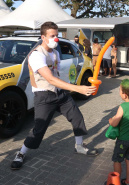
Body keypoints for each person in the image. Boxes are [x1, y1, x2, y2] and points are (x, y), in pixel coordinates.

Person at [10, 22, 98, 170]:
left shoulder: (55, 53)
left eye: (57, 35)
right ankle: (21, 153)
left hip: (59, 93)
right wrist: (78, 89)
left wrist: (69, 87)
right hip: (44, 96)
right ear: (43, 37)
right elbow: (49, 79)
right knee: (39, 129)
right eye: (52, 36)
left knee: (76, 116)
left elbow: (56, 76)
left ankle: (79, 146)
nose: (56, 39)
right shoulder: (36, 55)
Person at [109, 79, 129, 185]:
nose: (119, 92)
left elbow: (114, 123)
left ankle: (116, 182)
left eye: (120, 90)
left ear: (125, 95)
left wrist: (111, 120)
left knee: (117, 160)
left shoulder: (123, 106)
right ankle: (127, 182)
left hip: (123, 140)